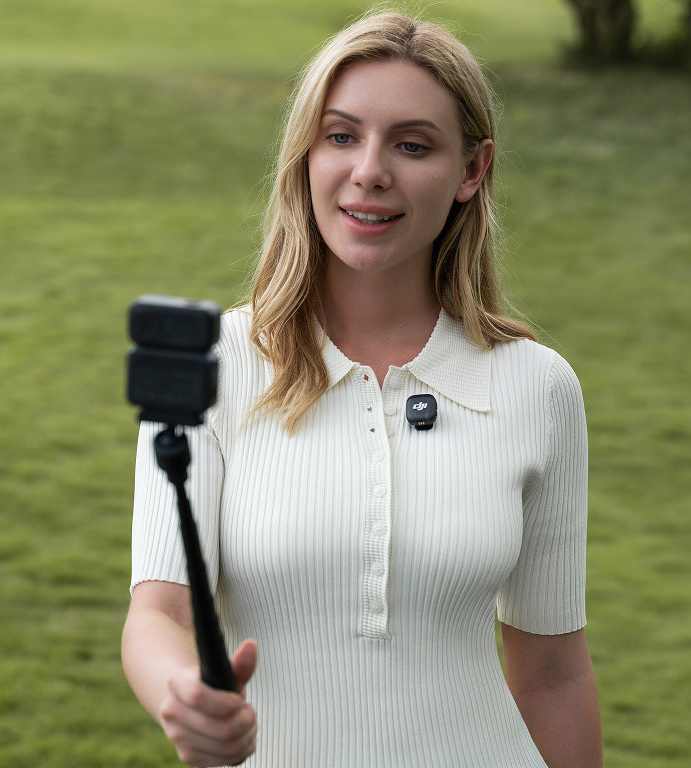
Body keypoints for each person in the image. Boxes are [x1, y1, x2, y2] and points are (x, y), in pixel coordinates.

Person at [122, 11, 602, 768]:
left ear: (472, 171)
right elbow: (157, 612)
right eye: (341, 135)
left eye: (412, 145)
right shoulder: (213, 364)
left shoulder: (538, 387)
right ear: (306, 153)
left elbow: (554, 674)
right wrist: (185, 691)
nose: (370, 170)